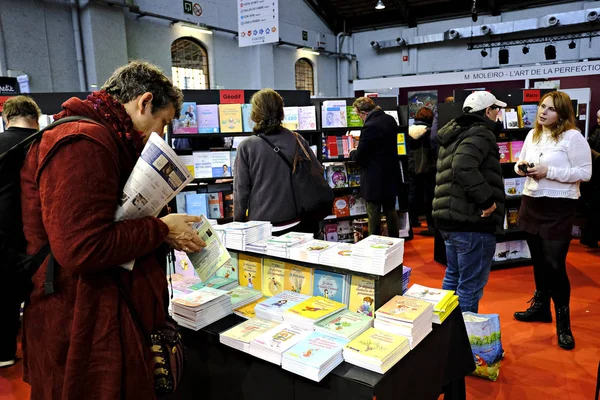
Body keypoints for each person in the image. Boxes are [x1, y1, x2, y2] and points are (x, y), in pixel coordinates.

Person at [19, 61, 205, 399]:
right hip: (82, 328)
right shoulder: (82, 142)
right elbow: (81, 248)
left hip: (98, 317)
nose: (159, 136)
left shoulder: (106, 137)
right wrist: (160, 229)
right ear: (143, 102)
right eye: (161, 123)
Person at [513, 91, 592, 350]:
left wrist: (550, 171)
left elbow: (585, 173)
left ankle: (563, 323)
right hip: (531, 201)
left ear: (562, 114)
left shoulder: (573, 137)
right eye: (541, 106)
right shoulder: (532, 134)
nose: (542, 112)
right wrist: (521, 166)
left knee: (555, 264)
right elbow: (519, 161)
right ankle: (540, 307)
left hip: (559, 206)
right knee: (537, 260)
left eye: (550, 109)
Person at [432, 91, 507, 313]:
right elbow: (463, 166)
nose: (498, 114)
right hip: (472, 222)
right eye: (496, 109)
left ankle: (448, 335)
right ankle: (464, 341)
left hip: (450, 220)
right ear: (487, 111)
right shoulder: (481, 134)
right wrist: (487, 202)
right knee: (469, 287)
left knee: (453, 278)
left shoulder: (454, 132)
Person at [233, 88, 322, 235]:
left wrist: (238, 223)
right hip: (297, 220)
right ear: (281, 111)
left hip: (261, 226)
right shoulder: (297, 139)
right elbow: (317, 170)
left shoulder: (247, 146)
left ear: (255, 113)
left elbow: (241, 190)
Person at [0, 96, 41, 368]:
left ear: (7, 119)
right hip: (41, 237)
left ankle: (4, 353)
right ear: (36, 118)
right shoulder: (45, 143)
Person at [350, 97, 401, 238]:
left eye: (358, 114)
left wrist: (352, 152)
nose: (359, 118)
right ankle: (396, 242)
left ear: (363, 112)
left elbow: (360, 155)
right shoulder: (390, 120)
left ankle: (374, 244)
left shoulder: (369, 126)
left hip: (374, 177)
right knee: (391, 211)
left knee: (373, 213)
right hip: (390, 173)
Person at [407, 107, 436, 235]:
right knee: (428, 196)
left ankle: (412, 221)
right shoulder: (429, 132)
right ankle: (431, 225)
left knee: (413, 193)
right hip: (427, 166)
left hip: (412, 167)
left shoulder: (408, 130)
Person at [579, 109, 600, 248]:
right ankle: (589, 238)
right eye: (597, 118)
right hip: (594, 175)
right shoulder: (596, 130)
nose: (598, 121)